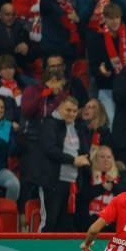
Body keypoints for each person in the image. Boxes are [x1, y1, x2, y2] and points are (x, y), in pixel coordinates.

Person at [34, 97, 91, 232]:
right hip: (52, 181)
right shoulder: (49, 124)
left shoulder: (77, 127)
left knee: (64, 224)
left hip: (71, 183)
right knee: (49, 222)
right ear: (59, 109)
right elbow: (49, 149)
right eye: (68, 110)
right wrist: (73, 160)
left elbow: (83, 151)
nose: (71, 114)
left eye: (74, 111)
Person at [87, 3, 126, 127]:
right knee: (109, 123)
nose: (115, 21)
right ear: (104, 19)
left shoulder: (125, 35)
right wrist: (101, 71)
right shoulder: (96, 38)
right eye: (111, 18)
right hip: (106, 87)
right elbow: (93, 66)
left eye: (117, 17)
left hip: (124, 87)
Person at [77, 145, 126, 232]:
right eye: (102, 157)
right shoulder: (87, 174)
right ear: (95, 159)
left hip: (114, 223)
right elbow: (81, 196)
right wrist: (102, 188)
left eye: (109, 157)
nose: (106, 160)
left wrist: (113, 186)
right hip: (90, 222)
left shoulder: (121, 175)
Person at [0, 54, 26, 122]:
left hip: (20, 124)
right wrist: (9, 124)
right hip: (3, 124)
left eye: (10, 68)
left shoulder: (21, 85)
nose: (8, 71)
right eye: (4, 69)